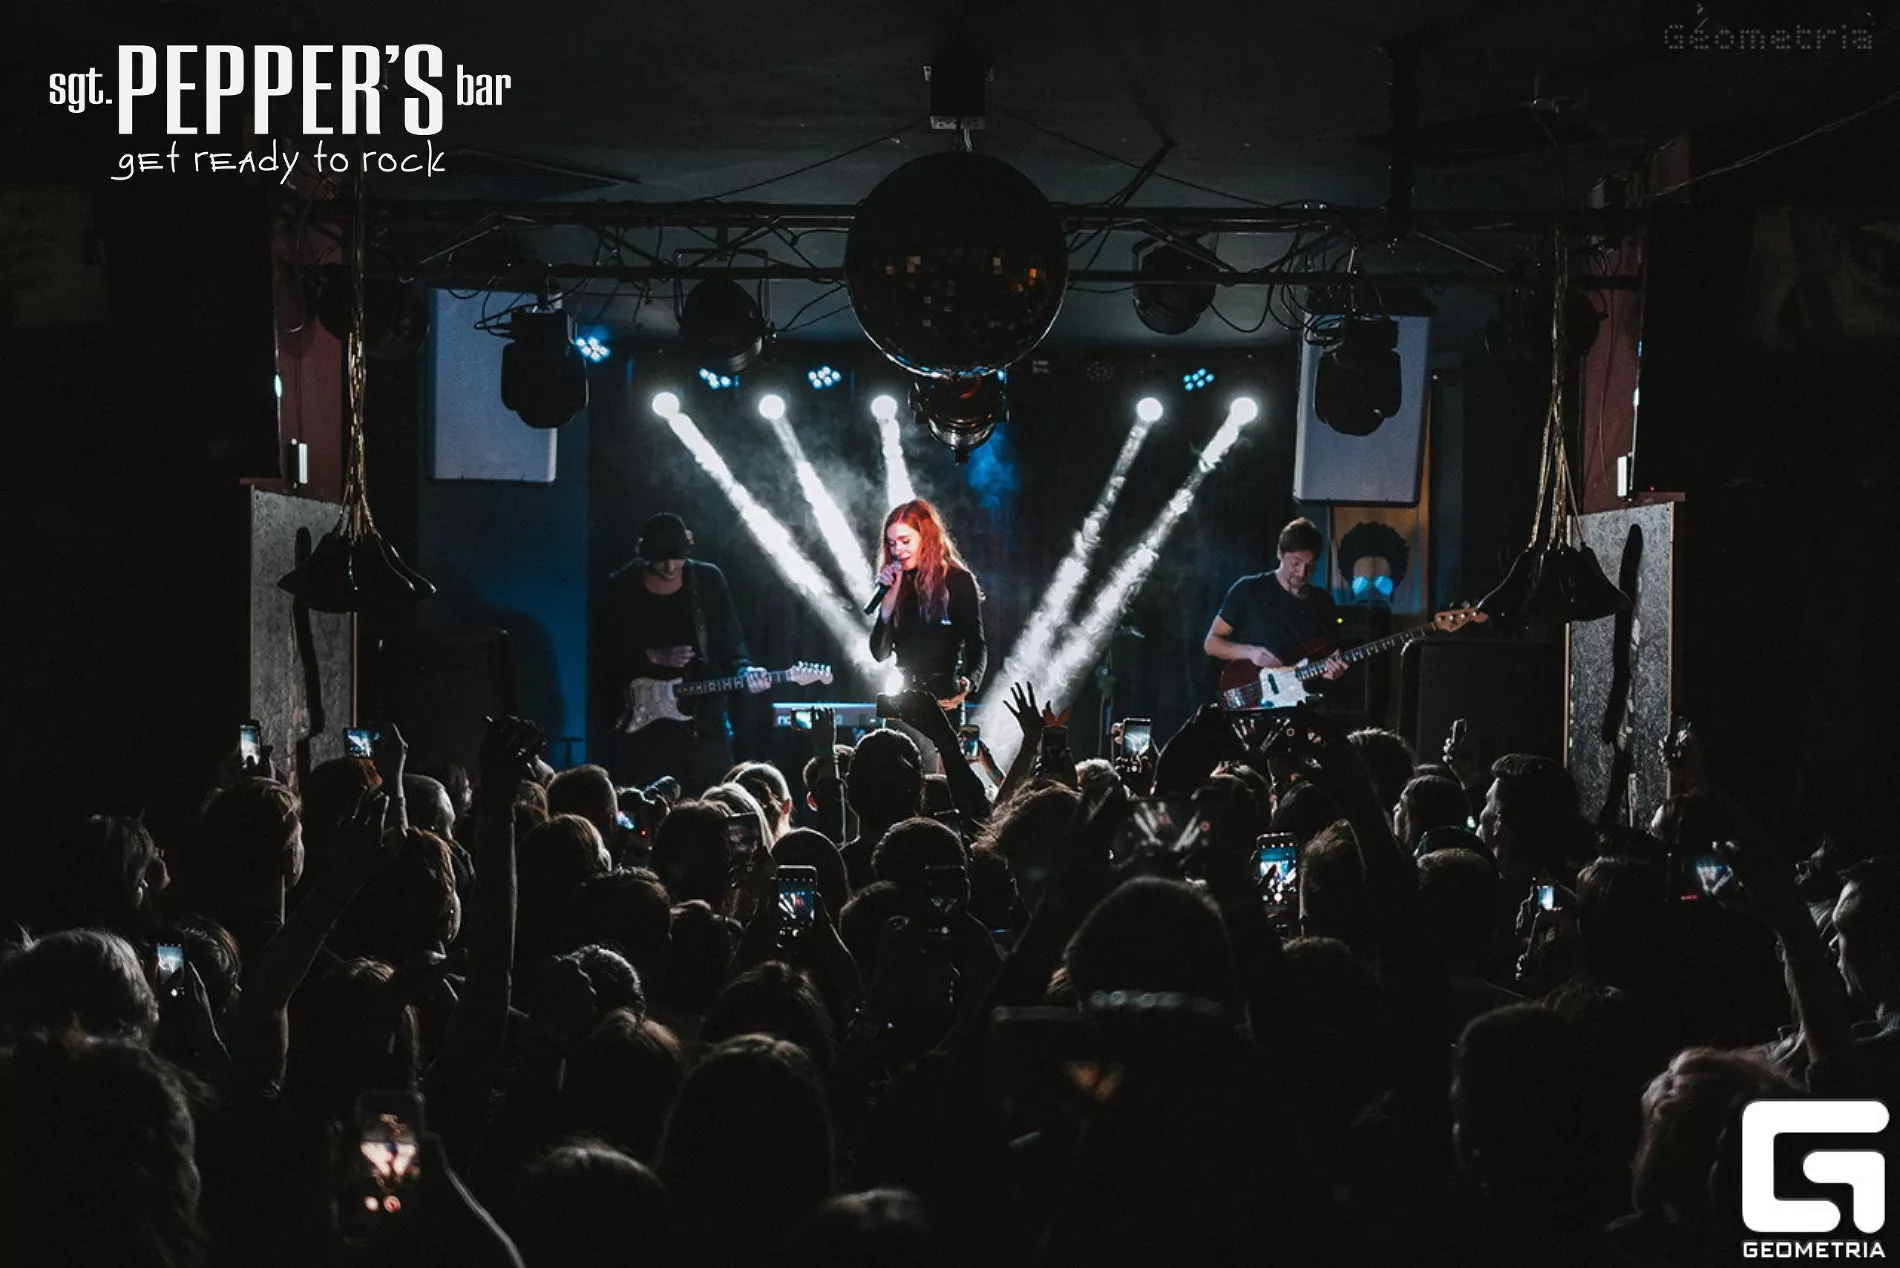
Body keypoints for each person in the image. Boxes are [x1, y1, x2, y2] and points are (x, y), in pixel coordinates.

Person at [602, 512, 769, 794]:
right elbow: (606, 651)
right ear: (645, 553)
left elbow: (731, 640)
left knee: (715, 797)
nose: (670, 567)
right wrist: (654, 656)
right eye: (661, 560)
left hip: (705, 719)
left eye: (676, 558)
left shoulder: (707, 580)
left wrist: (745, 669)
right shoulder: (623, 586)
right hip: (647, 724)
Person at [870, 500, 987, 772]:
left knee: (942, 783)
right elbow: (879, 653)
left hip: (943, 696)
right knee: (898, 779)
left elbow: (976, 643)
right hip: (903, 696)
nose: (897, 550)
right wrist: (887, 606)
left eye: (905, 541)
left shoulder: (958, 581)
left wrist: (969, 683)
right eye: (891, 543)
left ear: (927, 538)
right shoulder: (898, 585)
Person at [1203, 516, 1348, 685]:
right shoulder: (1249, 589)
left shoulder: (1323, 602)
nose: (1302, 573)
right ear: (1280, 553)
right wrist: (1250, 652)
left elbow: (1330, 655)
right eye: (1296, 563)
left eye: (1310, 565)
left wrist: (1331, 671)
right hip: (1255, 692)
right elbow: (1211, 643)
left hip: (1304, 696)